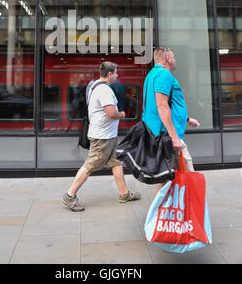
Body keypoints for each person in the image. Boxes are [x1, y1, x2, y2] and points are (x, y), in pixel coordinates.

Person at [62, 61, 141, 212]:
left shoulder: (94, 85)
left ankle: (124, 194)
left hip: (108, 136)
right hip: (102, 137)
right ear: (110, 74)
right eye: (116, 73)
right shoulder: (104, 90)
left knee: (116, 162)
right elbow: (111, 113)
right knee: (90, 166)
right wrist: (122, 114)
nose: (117, 76)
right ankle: (69, 195)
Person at [142, 47, 200, 195]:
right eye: (173, 57)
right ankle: (181, 212)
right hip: (169, 136)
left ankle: (161, 214)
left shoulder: (153, 74)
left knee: (167, 178)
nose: (175, 60)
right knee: (185, 175)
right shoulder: (164, 75)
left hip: (164, 133)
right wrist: (174, 138)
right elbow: (161, 106)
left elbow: (161, 106)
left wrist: (186, 119)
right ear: (167, 59)